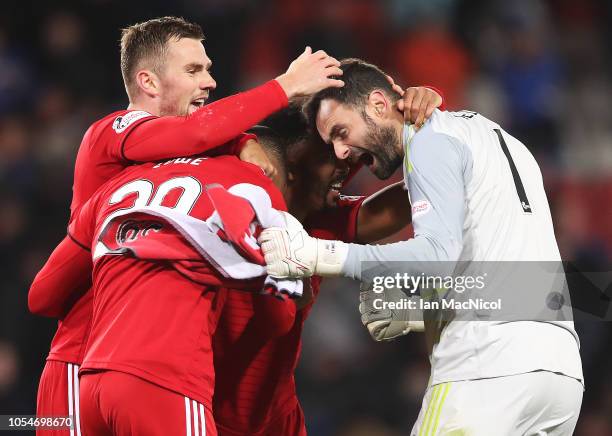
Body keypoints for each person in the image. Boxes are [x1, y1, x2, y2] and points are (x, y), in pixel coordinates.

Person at [34, 15, 343, 435]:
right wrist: (284, 87)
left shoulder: (181, 162)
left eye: (210, 69)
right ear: (149, 82)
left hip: (109, 370)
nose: (210, 81)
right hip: (81, 356)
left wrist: (246, 145)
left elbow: (205, 137)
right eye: (194, 70)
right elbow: (198, 135)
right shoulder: (111, 133)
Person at [259, 58, 584, 435]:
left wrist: (316, 255)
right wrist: (422, 312)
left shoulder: (430, 141)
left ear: (379, 105)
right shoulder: (501, 142)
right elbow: (508, 275)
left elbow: (435, 258)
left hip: (487, 370)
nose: (341, 152)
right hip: (560, 376)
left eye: (341, 131)